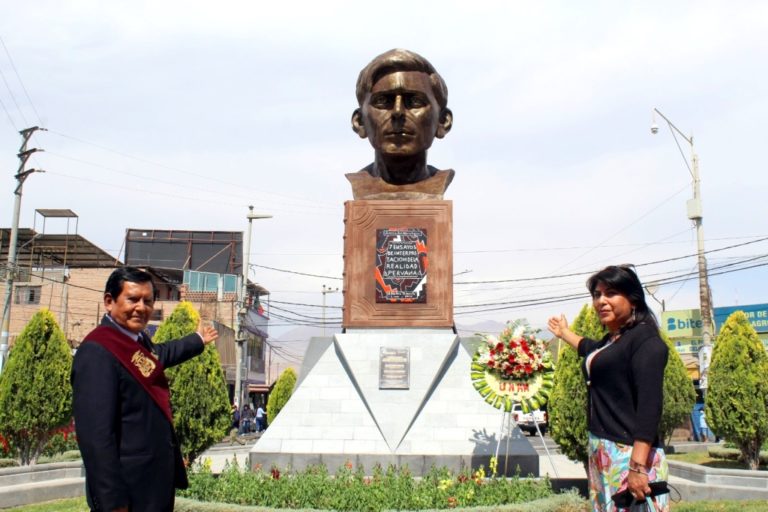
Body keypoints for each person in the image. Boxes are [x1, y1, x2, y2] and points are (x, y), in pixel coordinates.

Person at [72, 267, 218, 512]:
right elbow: (96, 438)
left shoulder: (137, 342)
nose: (141, 307)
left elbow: (161, 355)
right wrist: (112, 501)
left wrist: (197, 339)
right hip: (128, 490)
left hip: (153, 486)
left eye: (148, 301)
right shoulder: (98, 351)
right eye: (133, 299)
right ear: (109, 301)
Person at [548, 265, 669, 511]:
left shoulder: (645, 341)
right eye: (596, 295)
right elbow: (590, 349)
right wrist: (564, 333)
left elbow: (650, 406)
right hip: (603, 450)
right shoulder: (614, 340)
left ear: (633, 298)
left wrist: (637, 466)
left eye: (611, 293)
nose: (601, 301)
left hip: (629, 453)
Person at [346, 48, 455, 200]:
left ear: (443, 121)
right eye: (383, 101)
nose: (398, 112)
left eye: (415, 101)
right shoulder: (360, 185)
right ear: (360, 122)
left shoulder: (438, 185)